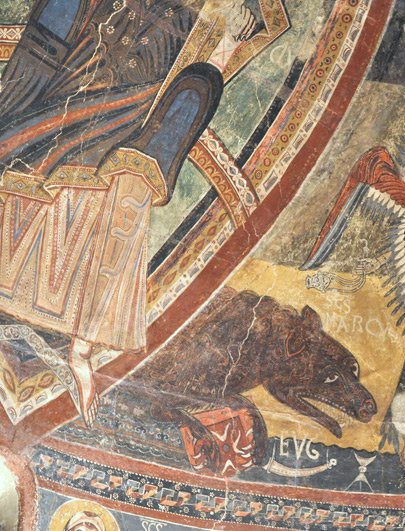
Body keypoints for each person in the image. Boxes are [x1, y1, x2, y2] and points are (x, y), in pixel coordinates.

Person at [0, 0, 265, 425]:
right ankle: (79, 343)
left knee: (132, 177)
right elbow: (49, 34)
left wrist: (229, 41)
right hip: (74, 77)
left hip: (141, 96)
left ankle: (82, 346)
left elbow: (209, 55)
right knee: (47, 163)